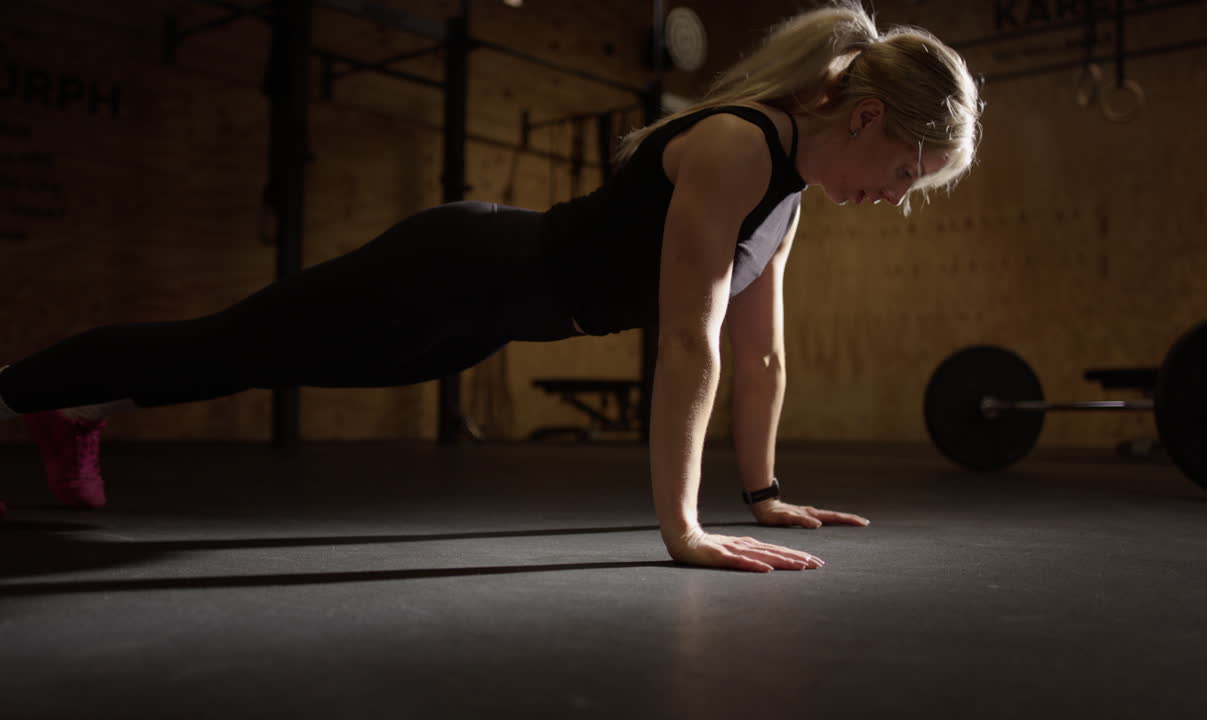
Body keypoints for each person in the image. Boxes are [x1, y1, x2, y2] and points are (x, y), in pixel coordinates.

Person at [0, 2, 981, 572]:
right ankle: (30, 397)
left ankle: (75, 411)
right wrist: (682, 529)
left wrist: (762, 495)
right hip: (452, 269)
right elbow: (690, 341)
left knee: (253, 358)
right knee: (225, 346)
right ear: (864, 118)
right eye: (905, 172)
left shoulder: (790, 197)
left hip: (484, 318)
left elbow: (760, 353)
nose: (896, 198)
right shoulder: (736, 147)